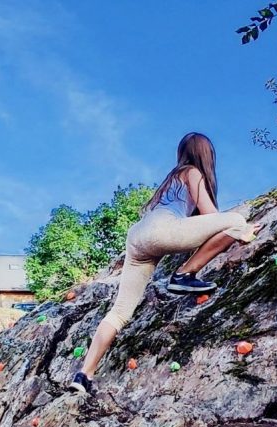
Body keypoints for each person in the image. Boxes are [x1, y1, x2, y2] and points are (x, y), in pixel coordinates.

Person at [69, 132, 261, 395]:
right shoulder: (193, 172)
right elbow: (211, 216)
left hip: (137, 238)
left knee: (119, 313)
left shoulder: (170, 179)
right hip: (163, 231)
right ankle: (184, 274)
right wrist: (240, 231)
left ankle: (84, 374)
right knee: (236, 221)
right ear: (206, 155)